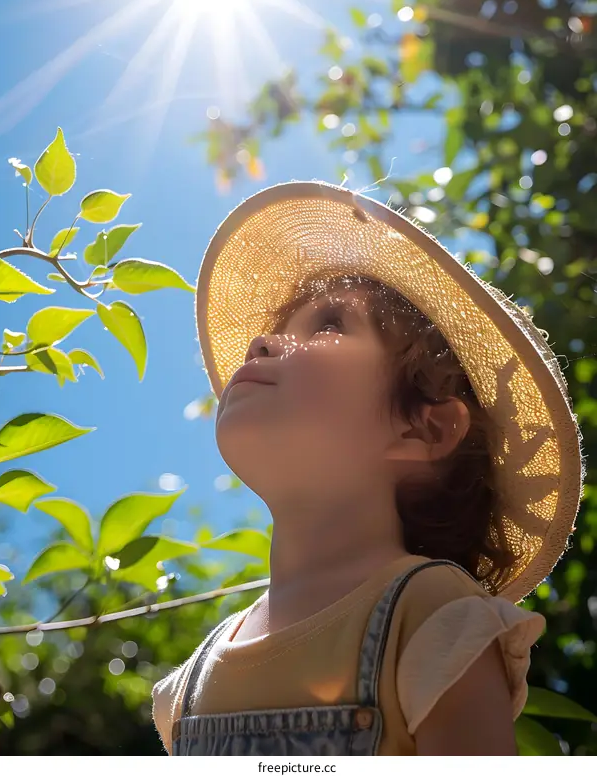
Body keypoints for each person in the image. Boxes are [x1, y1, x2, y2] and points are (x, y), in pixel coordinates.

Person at [152, 180, 584, 756]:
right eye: (278, 329)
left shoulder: (433, 621)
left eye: (328, 325)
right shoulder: (183, 692)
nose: (261, 343)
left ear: (422, 429)